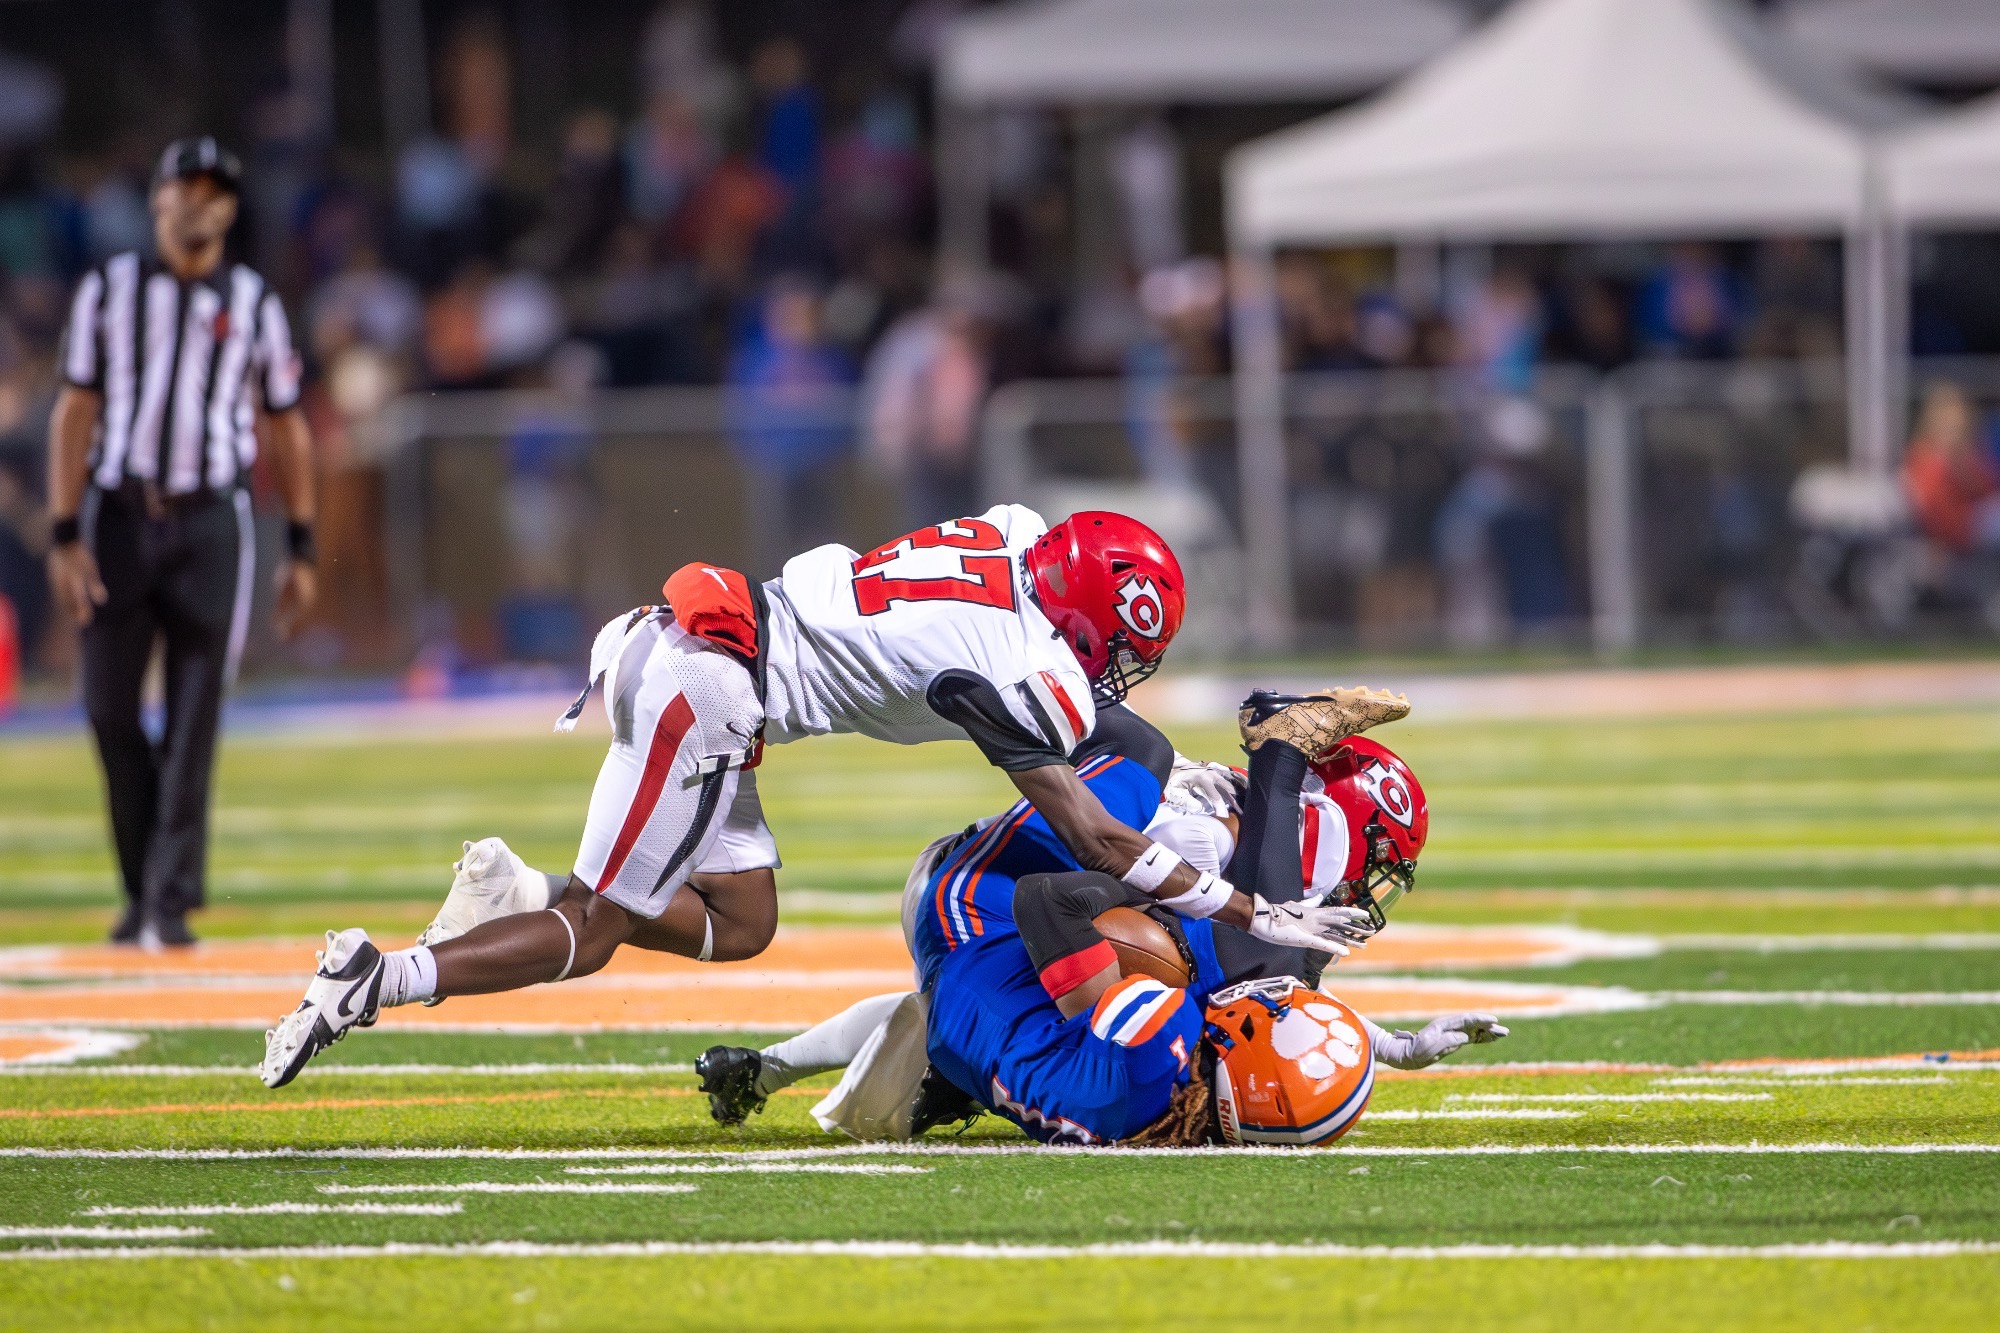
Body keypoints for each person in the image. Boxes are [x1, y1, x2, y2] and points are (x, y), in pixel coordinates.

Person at [260, 505, 1405, 1087]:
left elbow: (1060, 691)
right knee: (597, 932)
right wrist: (1252, 911)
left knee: (740, 924)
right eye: (1111, 646)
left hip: (727, 672)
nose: (1109, 672)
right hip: (702, 684)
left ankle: (526, 886)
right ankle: (377, 979)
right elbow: (1097, 834)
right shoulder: (1012, 666)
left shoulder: (1012, 540)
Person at [697, 712, 1504, 1145]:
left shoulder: (1247, 890)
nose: (1368, 884)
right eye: (1375, 858)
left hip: (1003, 931)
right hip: (980, 888)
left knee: (962, 1024)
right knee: (1137, 749)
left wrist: (1393, 1046)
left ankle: (765, 1068)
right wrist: (1097, 997)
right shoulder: (1210, 840)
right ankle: (997, 688)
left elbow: (1267, 1000)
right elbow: (1258, 979)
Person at [45, 138, 319, 948]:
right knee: (107, 707)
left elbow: (286, 425)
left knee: (197, 712)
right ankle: (144, 884)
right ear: (158, 198)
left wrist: (302, 543)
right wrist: (64, 531)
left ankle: (165, 899)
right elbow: (74, 412)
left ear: (230, 208)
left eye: (215, 190)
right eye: (186, 186)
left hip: (210, 519)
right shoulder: (110, 289)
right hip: (120, 515)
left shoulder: (255, 301)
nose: (200, 201)